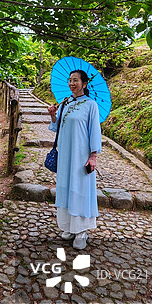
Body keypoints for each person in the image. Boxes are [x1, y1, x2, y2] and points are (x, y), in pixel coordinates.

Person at [48, 69, 102, 250]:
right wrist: (53, 114)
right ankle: (69, 227)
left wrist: (93, 156)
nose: (72, 83)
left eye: (76, 80)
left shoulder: (90, 105)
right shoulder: (65, 102)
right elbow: (57, 128)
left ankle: (81, 231)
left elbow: (95, 131)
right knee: (66, 187)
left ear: (84, 84)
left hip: (80, 156)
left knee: (80, 189)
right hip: (65, 154)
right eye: (70, 80)